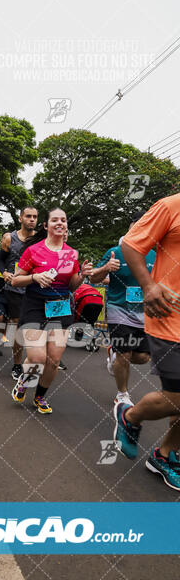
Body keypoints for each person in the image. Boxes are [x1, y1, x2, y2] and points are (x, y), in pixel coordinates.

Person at [114, 193, 180, 490]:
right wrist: (149, 285)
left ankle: (166, 455)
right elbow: (130, 243)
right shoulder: (171, 206)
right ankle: (130, 416)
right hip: (170, 315)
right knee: (178, 396)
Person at [11, 207, 93, 413]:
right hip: (35, 307)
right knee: (38, 357)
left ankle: (39, 396)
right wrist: (34, 277)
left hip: (60, 307)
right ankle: (24, 379)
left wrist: (81, 274)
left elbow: (72, 286)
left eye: (63, 220)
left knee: (54, 360)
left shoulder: (71, 253)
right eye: (55, 220)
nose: (60, 223)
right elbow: (15, 280)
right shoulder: (33, 250)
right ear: (46, 225)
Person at [90, 213, 155, 405]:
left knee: (143, 357)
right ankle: (122, 394)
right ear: (129, 230)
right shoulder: (115, 252)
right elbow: (93, 277)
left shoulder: (155, 255)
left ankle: (114, 354)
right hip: (118, 309)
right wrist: (106, 268)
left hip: (144, 313)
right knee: (125, 353)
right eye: (134, 227)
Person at [1, 206, 38, 381]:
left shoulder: (40, 239)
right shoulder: (9, 238)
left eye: (35, 217)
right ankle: (17, 364)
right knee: (18, 327)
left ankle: (34, 360)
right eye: (28, 216)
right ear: (21, 218)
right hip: (15, 288)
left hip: (34, 287)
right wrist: (4, 273)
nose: (32, 219)